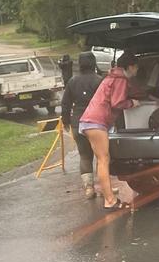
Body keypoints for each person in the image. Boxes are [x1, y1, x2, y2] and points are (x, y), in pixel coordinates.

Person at [79, 51, 140, 210]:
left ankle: (110, 198)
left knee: (102, 160)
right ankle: (110, 200)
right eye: (136, 67)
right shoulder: (120, 79)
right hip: (96, 122)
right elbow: (117, 102)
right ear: (131, 66)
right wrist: (132, 103)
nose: (137, 71)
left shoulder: (113, 76)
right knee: (103, 161)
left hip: (90, 121)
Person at [60, 52, 104, 198]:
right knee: (101, 156)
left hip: (78, 122)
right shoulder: (99, 81)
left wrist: (65, 121)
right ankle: (105, 187)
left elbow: (65, 103)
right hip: (96, 122)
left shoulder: (72, 81)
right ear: (94, 63)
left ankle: (89, 189)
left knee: (84, 156)